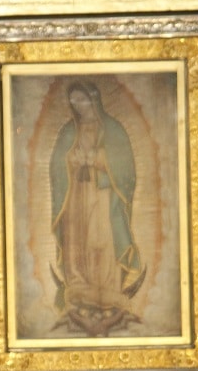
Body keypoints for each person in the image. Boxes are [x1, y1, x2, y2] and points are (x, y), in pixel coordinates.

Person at [49, 79, 146, 337]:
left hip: (103, 196)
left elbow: (126, 170)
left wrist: (99, 160)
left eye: (81, 100)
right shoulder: (69, 132)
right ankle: (79, 285)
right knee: (78, 240)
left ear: (93, 99)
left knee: (102, 237)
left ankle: (108, 288)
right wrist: (72, 161)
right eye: (73, 102)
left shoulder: (113, 130)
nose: (78, 106)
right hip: (76, 196)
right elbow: (57, 166)